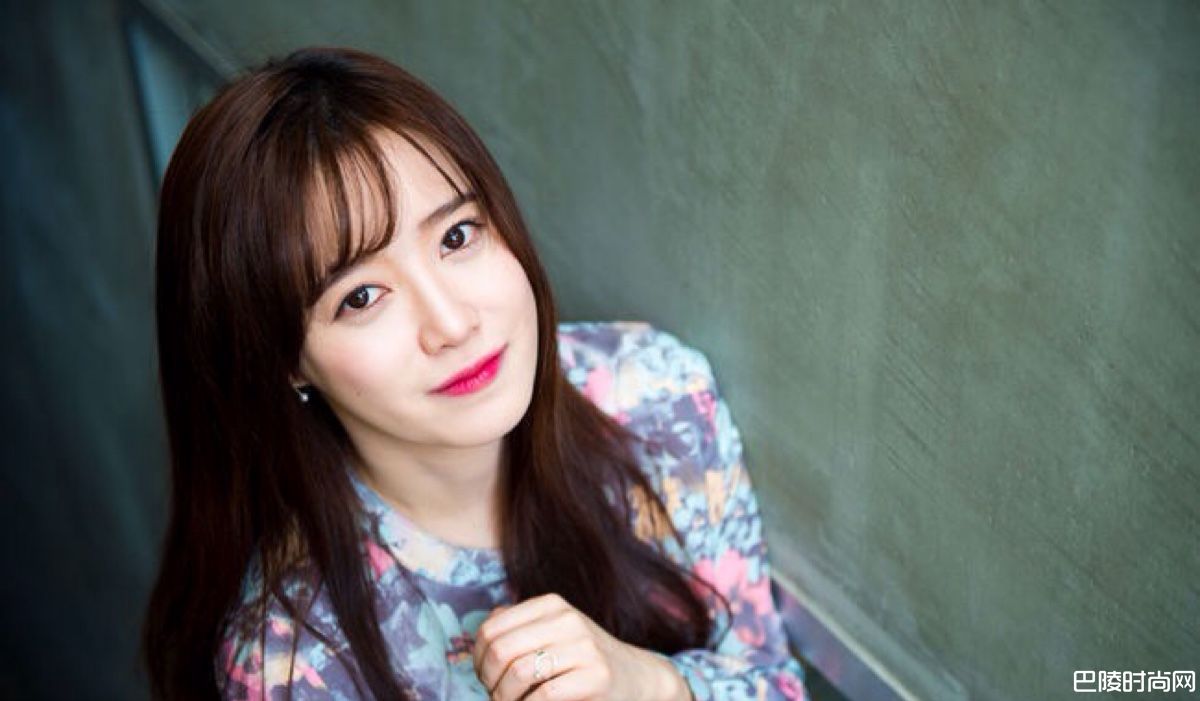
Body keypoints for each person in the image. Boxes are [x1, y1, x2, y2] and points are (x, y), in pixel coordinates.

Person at [140, 46, 809, 701]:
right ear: (283, 360)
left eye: (457, 236)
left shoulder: (653, 397)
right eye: (361, 297)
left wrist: (653, 685)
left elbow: (776, 682)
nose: (452, 323)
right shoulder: (296, 662)